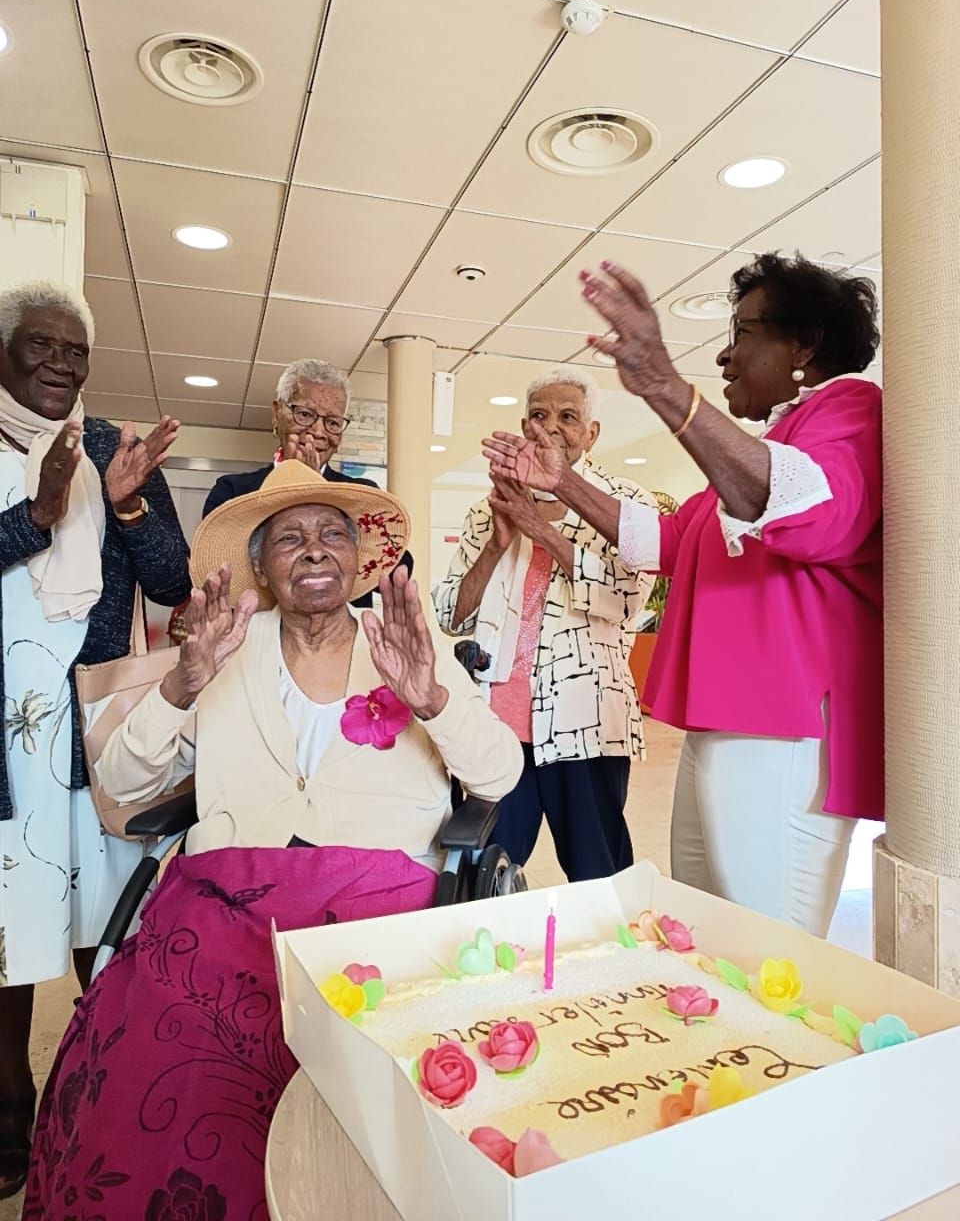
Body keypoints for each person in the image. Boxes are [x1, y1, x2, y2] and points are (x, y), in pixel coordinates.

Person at [23, 463, 521, 1220]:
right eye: (289, 538)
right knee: (156, 1059)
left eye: (331, 535)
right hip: (223, 904)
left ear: (359, 560)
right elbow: (120, 792)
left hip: (378, 905)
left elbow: (499, 777)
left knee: (359, 1068)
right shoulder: (222, 645)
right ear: (259, 566)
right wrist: (180, 684)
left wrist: (432, 699)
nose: (313, 550)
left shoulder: (412, 644)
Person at [483, 254, 882, 938]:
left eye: (745, 333)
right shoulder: (770, 441)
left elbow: (805, 508)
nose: (726, 355)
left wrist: (664, 386)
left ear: (804, 344)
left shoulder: (850, 409)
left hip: (784, 721)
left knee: (766, 945)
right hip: (730, 719)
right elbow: (663, 542)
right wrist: (563, 483)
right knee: (708, 928)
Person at [0, 280, 191, 1198]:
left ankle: (107, 1089)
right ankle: (8, 1111)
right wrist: (32, 519)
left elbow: (173, 581)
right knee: (9, 933)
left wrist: (123, 506)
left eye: (76, 351)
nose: (62, 365)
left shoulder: (114, 446)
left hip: (93, 732)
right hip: (7, 741)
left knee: (104, 931)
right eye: (43, 345)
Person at [433, 367, 655, 884]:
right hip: (498, 723)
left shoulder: (624, 503)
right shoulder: (488, 509)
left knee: (598, 867)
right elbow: (450, 613)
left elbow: (624, 598)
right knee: (484, 868)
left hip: (586, 723)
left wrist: (539, 529)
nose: (550, 427)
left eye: (568, 417)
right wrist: (500, 541)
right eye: (539, 415)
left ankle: (615, 961)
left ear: (592, 433)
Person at [202, 357, 412, 607]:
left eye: (333, 422)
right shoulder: (233, 491)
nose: (319, 432)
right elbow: (217, 570)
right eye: (304, 414)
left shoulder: (360, 494)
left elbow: (399, 571)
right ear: (276, 414)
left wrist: (316, 486)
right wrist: (294, 482)